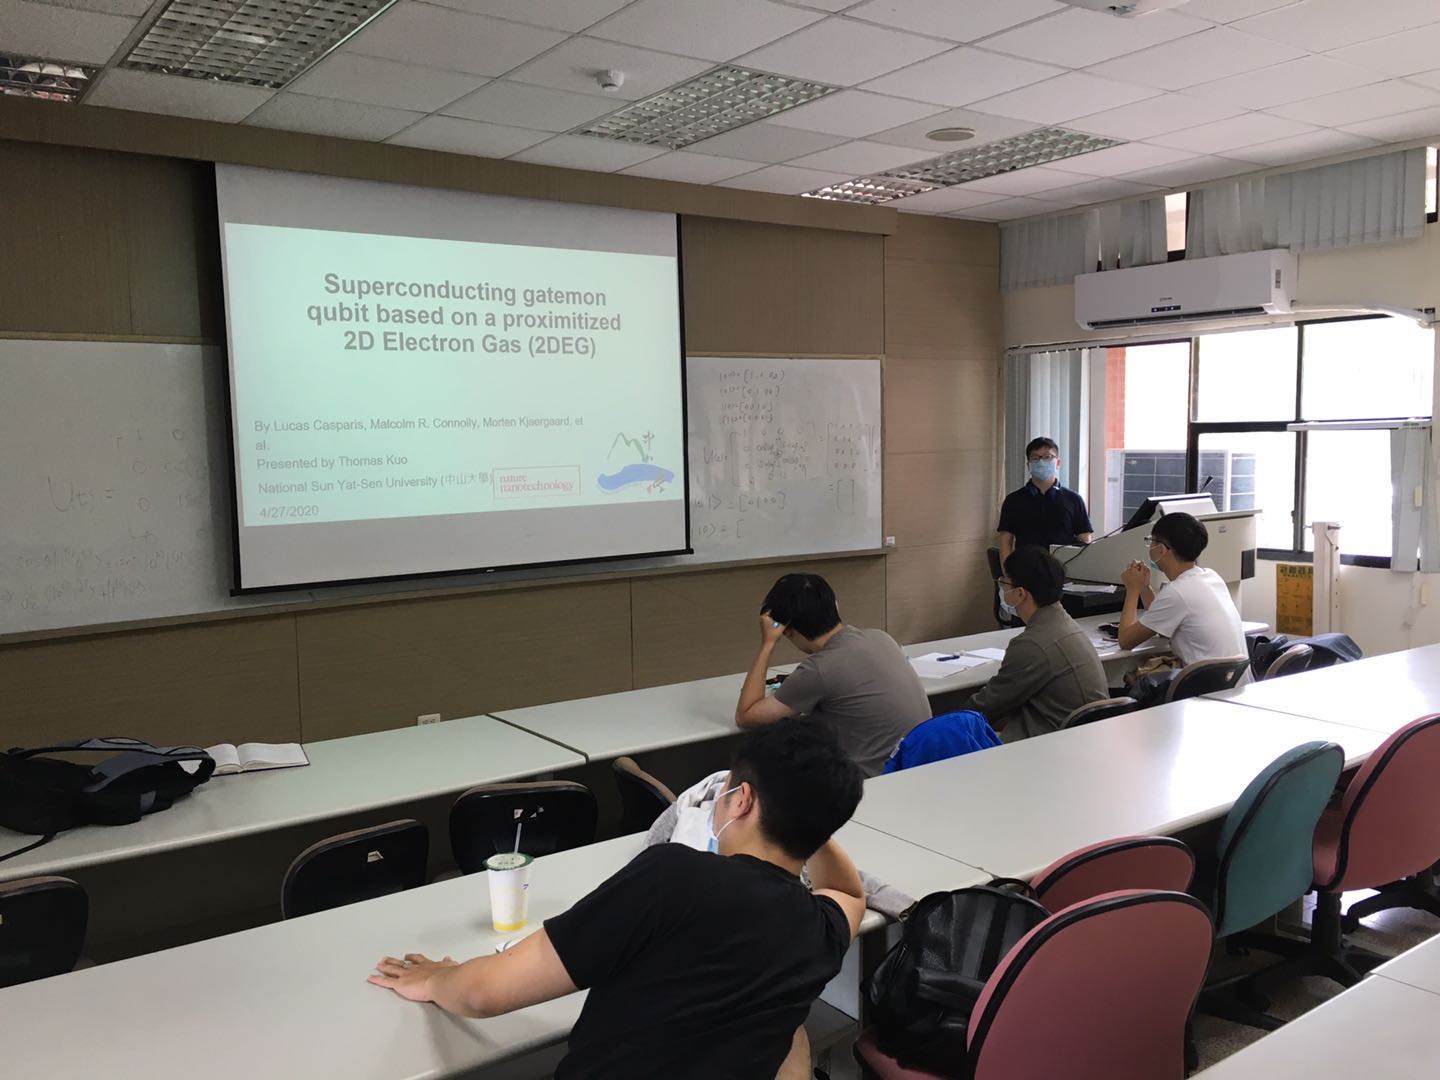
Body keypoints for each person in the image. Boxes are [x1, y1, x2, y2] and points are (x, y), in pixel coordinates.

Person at [368, 720, 867, 1080]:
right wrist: (811, 819)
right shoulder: (820, 931)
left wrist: (436, 979)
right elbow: (848, 892)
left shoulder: (675, 874)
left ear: (742, 799)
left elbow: (484, 994)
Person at [735, 573, 930, 777]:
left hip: (873, 782)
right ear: (835, 606)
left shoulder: (818, 669)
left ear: (787, 630)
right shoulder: (881, 637)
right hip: (918, 769)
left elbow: (746, 715)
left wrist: (768, 642)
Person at [971, 546, 1108, 742]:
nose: (1002, 588)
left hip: (1049, 745)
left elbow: (987, 706)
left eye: (1004, 582)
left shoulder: (1032, 644)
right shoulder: (1066, 624)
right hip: (1081, 740)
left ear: (1020, 593)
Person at [1118, 511, 1248, 668]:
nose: (1149, 546)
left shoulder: (1177, 592)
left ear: (1161, 549)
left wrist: (1132, 589)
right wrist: (1144, 587)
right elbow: (1161, 619)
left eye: (1151, 541)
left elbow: (1126, 641)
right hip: (1234, 681)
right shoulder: (1211, 576)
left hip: (1204, 683)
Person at [996, 436, 1093, 563]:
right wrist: (1008, 572)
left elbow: (1084, 539)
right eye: (1035, 458)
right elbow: (1005, 541)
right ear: (1028, 465)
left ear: (1058, 463)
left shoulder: (1074, 499)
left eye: (1048, 457)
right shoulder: (1013, 500)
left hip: (1065, 569)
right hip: (1025, 568)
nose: (1041, 462)